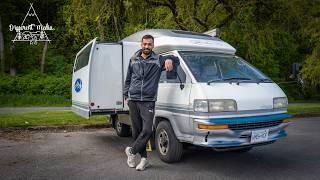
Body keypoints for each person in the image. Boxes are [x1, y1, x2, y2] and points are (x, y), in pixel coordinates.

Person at [123, 34, 175, 171]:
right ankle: (144, 159)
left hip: (148, 101)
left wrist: (169, 59)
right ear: (141, 44)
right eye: (144, 44)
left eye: (149, 44)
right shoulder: (133, 59)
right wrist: (125, 95)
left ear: (153, 45)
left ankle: (131, 151)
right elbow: (128, 78)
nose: (147, 46)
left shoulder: (158, 60)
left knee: (147, 130)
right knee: (136, 130)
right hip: (133, 99)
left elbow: (176, 59)